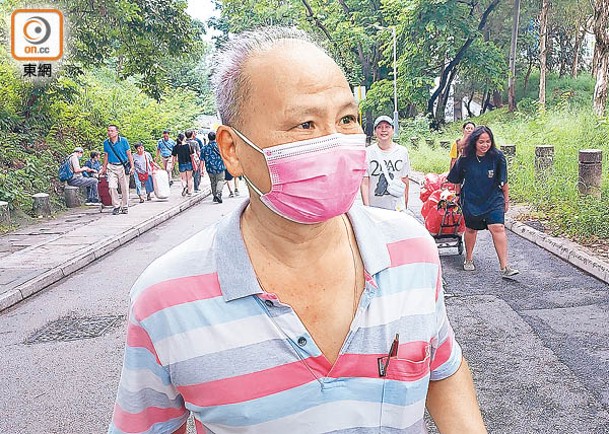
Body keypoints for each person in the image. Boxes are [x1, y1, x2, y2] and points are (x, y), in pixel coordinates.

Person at [109, 27, 486, 434]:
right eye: (305, 124)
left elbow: (442, 368)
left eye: (345, 119)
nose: (335, 143)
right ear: (233, 150)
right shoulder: (164, 299)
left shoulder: (412, 248)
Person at [447, 125, 519, 277]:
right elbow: (457, 178)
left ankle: (505, 266)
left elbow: (504, 180)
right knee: (471, 229)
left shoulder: (497, 156)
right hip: (472, 198)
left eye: (488, 141)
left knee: (498, 227)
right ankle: (468, 258)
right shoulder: (466, 158)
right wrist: (458, 194)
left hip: (493, 198)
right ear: (474, 142)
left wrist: (506, 200)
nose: (485, 145)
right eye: (481, 142)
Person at [360, 115, 411, 212]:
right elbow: (365, 182)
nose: (384, 130)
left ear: (393, 130)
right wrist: (367, 208)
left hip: (396, 208)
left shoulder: (402, 151)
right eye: (379, 127)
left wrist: (405, 205)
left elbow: (405, 180)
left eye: (387, 127)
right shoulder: (368, 153)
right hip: (375, 209)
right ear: (375, 132)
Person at [99, 125, 134, 215]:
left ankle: (125, 206)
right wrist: (104, 168)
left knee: (124, 188)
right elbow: (106, 156)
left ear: (117, 132)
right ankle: (116, 206)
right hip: (111, 167)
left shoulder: (124, 141)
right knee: (112, 187)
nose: (109, 132)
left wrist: (132, 166)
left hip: (123, 166)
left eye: (112, 131)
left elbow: (129, 154)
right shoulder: (106, 143)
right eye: (108, 131)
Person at [201, 130, 226, 203]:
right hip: (219, 166)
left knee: (213, 182)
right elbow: (224, 155)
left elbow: (202, 159)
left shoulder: (204, 148)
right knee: (220, 180)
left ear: (208, 138)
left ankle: (214, 196)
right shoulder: (219, 146)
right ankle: (218, 193)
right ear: (215, 137)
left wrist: (201, 170)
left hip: (209, 167)